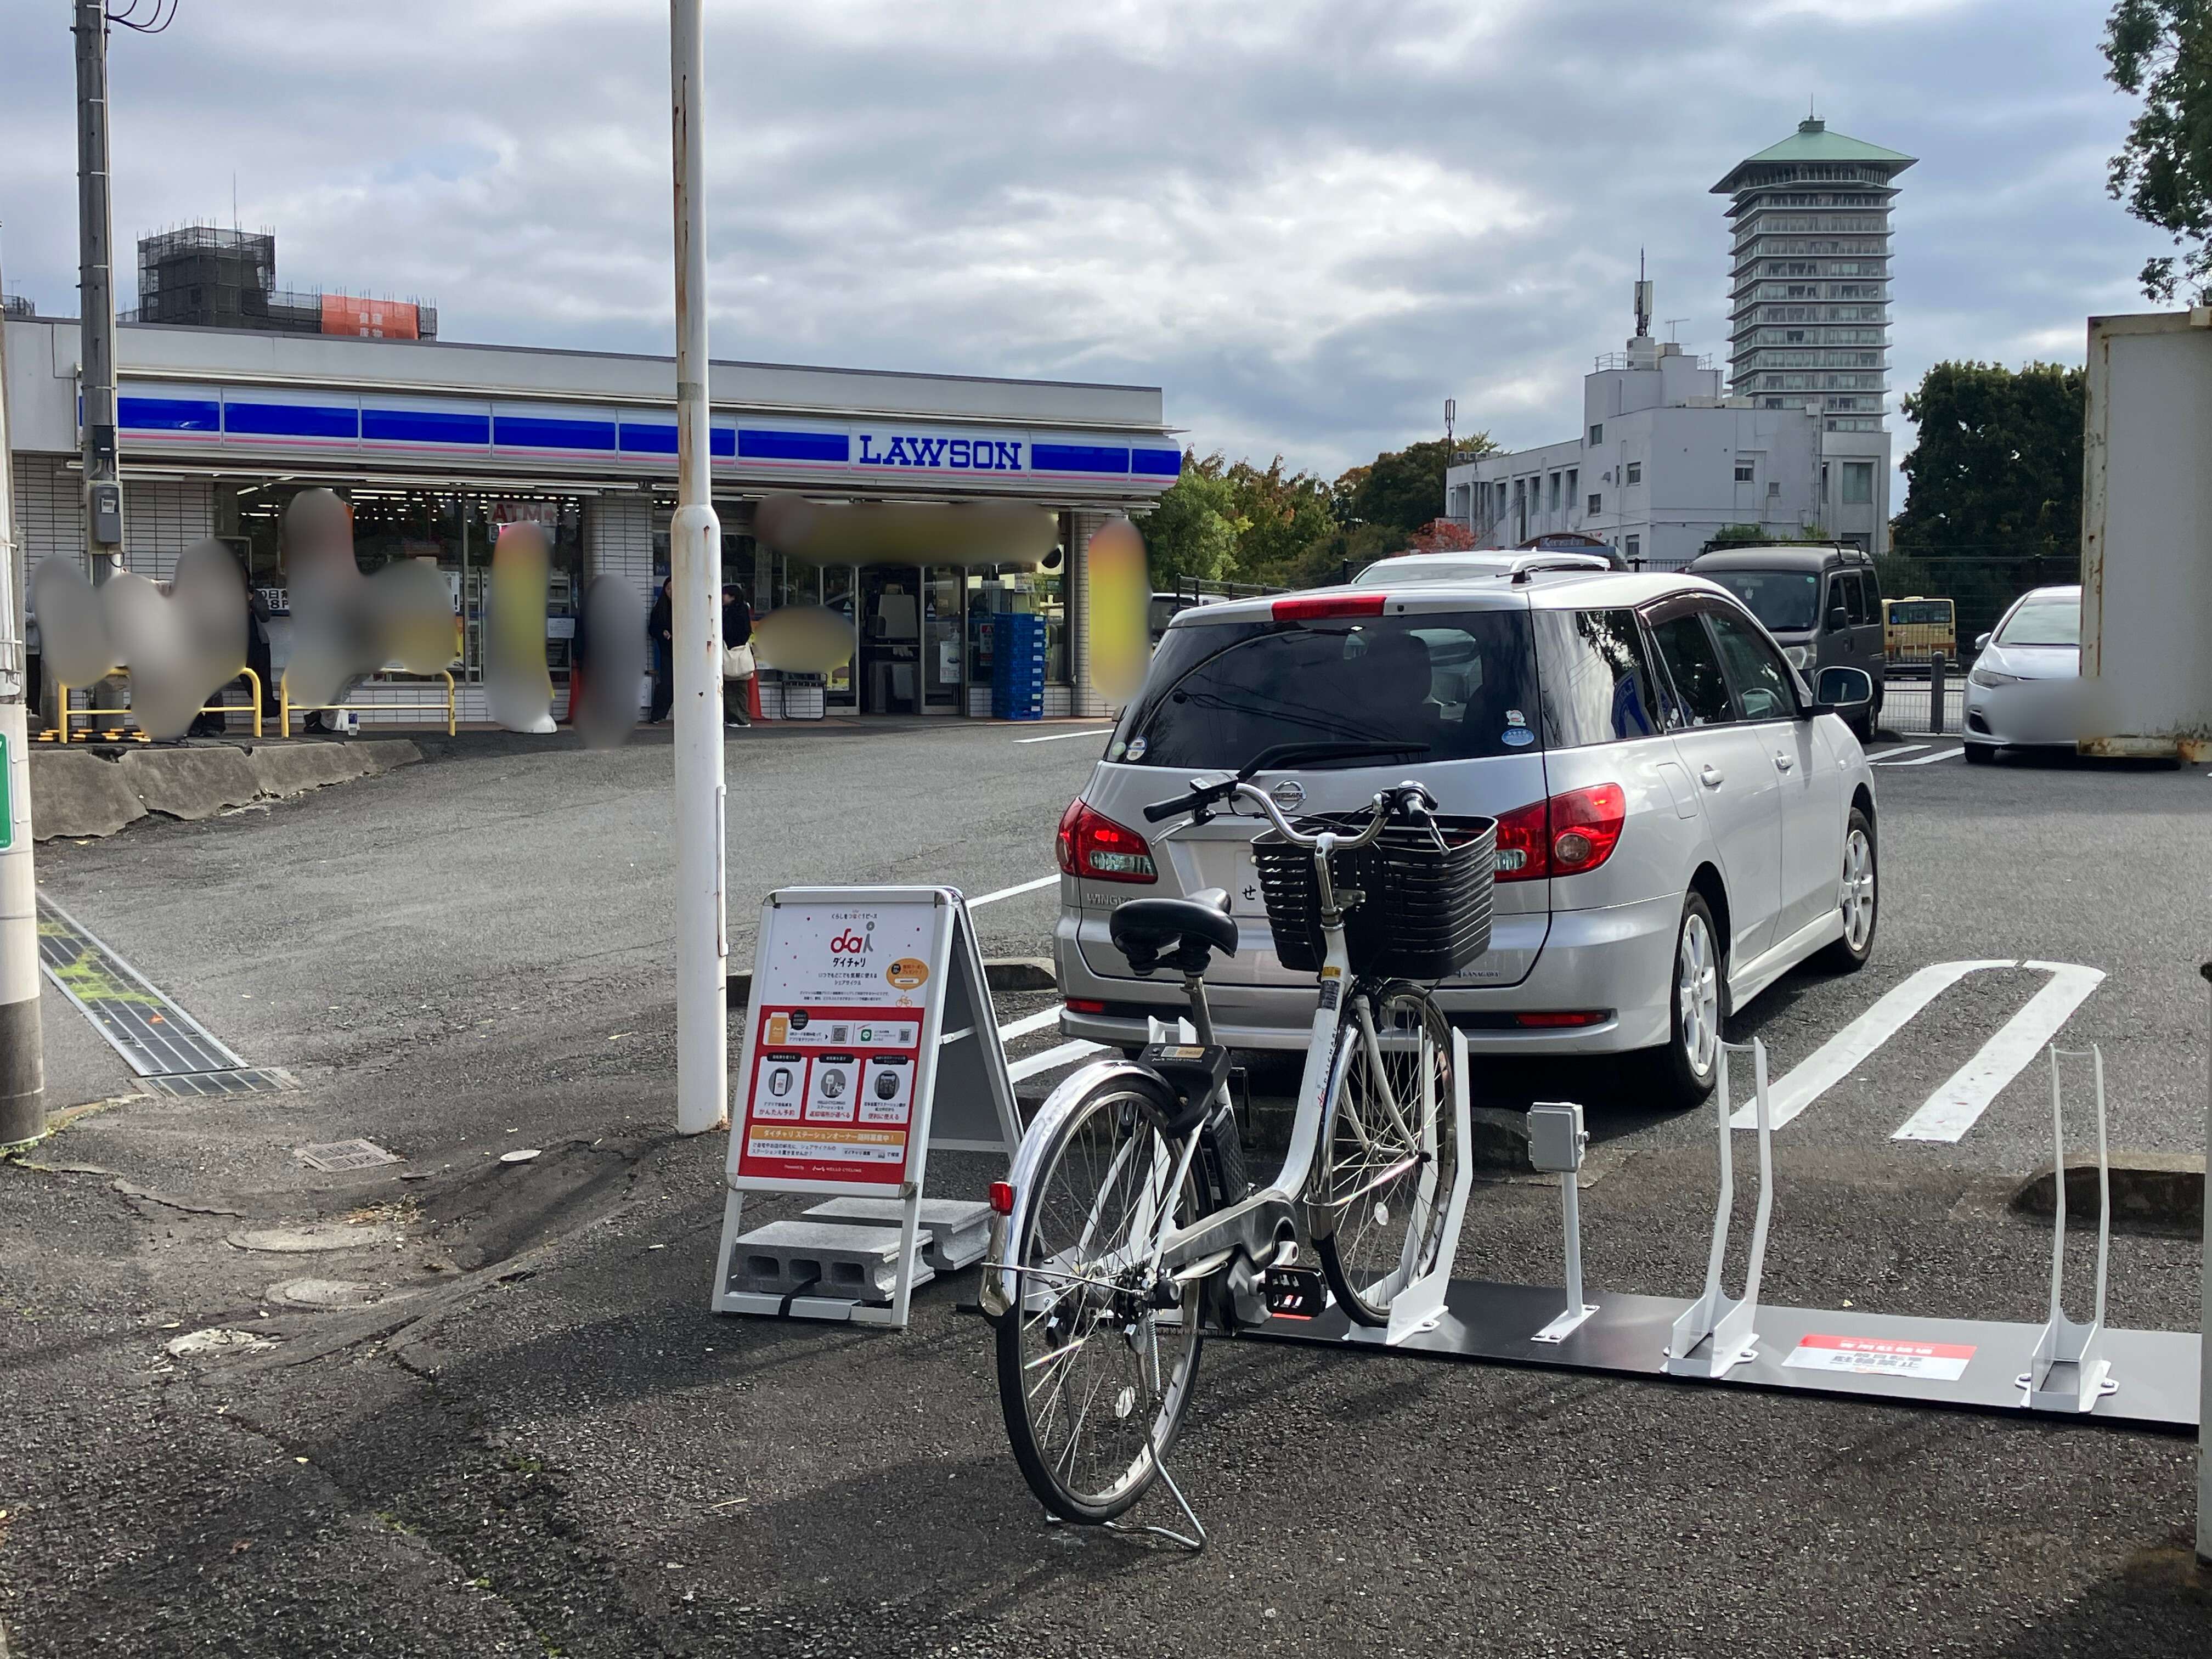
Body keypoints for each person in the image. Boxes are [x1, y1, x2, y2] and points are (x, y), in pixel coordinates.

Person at [721, 584, 754, 729]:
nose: (723, 597)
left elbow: (741, 631)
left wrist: (730, 642)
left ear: (733, 596)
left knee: (736, 686)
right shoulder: (736, 610)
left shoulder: (736, 611)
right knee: (734, 686)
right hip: (737, 651)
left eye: (725, 594)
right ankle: (735, 718)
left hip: (732, 650)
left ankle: (741, 718)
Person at [646, 576, 674, 724]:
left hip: (686, 652)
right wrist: (662, 633)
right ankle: (657, 714)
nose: (671, 592)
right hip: (667, 651)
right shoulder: (661, 607)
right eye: (668, 588)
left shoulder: (686, 607)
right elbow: (652, 628)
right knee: (667, 684)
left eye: (674, 589)